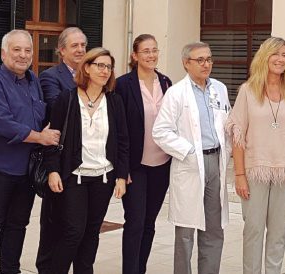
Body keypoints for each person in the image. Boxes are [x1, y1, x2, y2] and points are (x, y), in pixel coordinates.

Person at [36, 47, 129, 274]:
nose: (105, 71)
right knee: (73, 232)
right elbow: (52, 138)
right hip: (72, 177)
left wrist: (121, 176)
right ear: (86, 67)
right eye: (100, 65)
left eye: (108, 66)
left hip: (104, 178)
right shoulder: (67, 98)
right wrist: (53, 171)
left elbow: (123, 142)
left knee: (91, 232)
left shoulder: (114, 102)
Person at [226, 36, 285, 274]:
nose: (280, 59)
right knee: (253, 230)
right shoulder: (248, 91)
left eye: (284, 55)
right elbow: (238, 134)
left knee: (278, 233)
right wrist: (240, 175)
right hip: (255, 171)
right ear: (265, 57)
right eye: (276, 54)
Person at [0, 29, 55, 274]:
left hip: (28, 170)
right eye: (16, 50)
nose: (22, 55)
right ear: (3, 53)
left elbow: (39, 117)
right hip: (0, 168)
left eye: (27, 50)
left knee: (18, 224)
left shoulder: (34, 80)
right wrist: (40, 137)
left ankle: (10, 270)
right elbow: (1, 123)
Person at [152, 41, 232, 274]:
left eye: (208, 59)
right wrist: (188, 151)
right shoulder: (176, 93)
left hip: (216, 162)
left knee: (214, 228)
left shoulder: (220, 88)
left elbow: (226, 124)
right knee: (186, 232)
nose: (206, 64)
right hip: (190, 164)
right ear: (186, 63)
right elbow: (160, 131)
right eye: (200, 60)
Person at [116, 34, 175, 274]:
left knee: (149, 223)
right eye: (146, 51)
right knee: (135, 222)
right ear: (135, 55)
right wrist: (122, 168)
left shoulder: (166, 82)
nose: (151, 55)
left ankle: (140, 269)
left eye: (155, 50)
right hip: (135, 166)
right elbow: (119, 129)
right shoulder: (123, 84)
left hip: (162, 164)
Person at [40, 27, 86, 105]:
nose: (80, 50)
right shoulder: (50, 76)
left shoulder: (91, 74)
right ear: (62, 50)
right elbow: (57, 107)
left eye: (83, 45)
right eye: (74, 46)